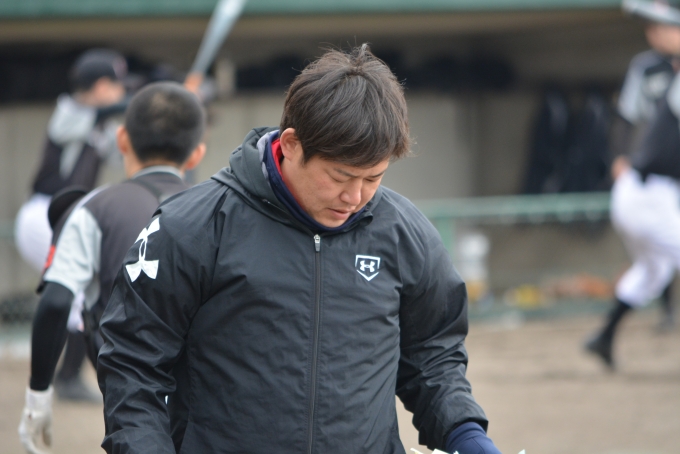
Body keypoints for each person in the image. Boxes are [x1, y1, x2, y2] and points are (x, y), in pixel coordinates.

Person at [97, 45, 500, 454]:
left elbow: (434, 358)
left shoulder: (405, 233)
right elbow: (133, 363)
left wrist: (466, 435)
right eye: (340, 177)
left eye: (373, 178)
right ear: (291, 144)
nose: (355, 197)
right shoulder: (193, 226)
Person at [18, 81, 206, 454]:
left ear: (122, 140)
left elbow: (56, 302)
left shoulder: (93, 207)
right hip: (209, 400)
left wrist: (38, 395)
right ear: (197, 153)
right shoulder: (219, 209)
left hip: (133, 404)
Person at [14, 49, 129, 401]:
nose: (121, 91)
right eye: (116, 84)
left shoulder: (101, 124)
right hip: (44, 214)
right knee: (78, 290)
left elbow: (124, 147)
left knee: (84, 290)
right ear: (100, 86)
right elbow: (102, 112)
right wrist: (150, 94)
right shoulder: (69, 110)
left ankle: (67, 376)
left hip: (64, 215)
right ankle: (67, 378)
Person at [586, 0, 680, 369]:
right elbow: (626, 116)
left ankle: (604, 336)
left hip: (649, 194)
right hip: (647, 193)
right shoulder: (654, 69)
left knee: (653, 271)